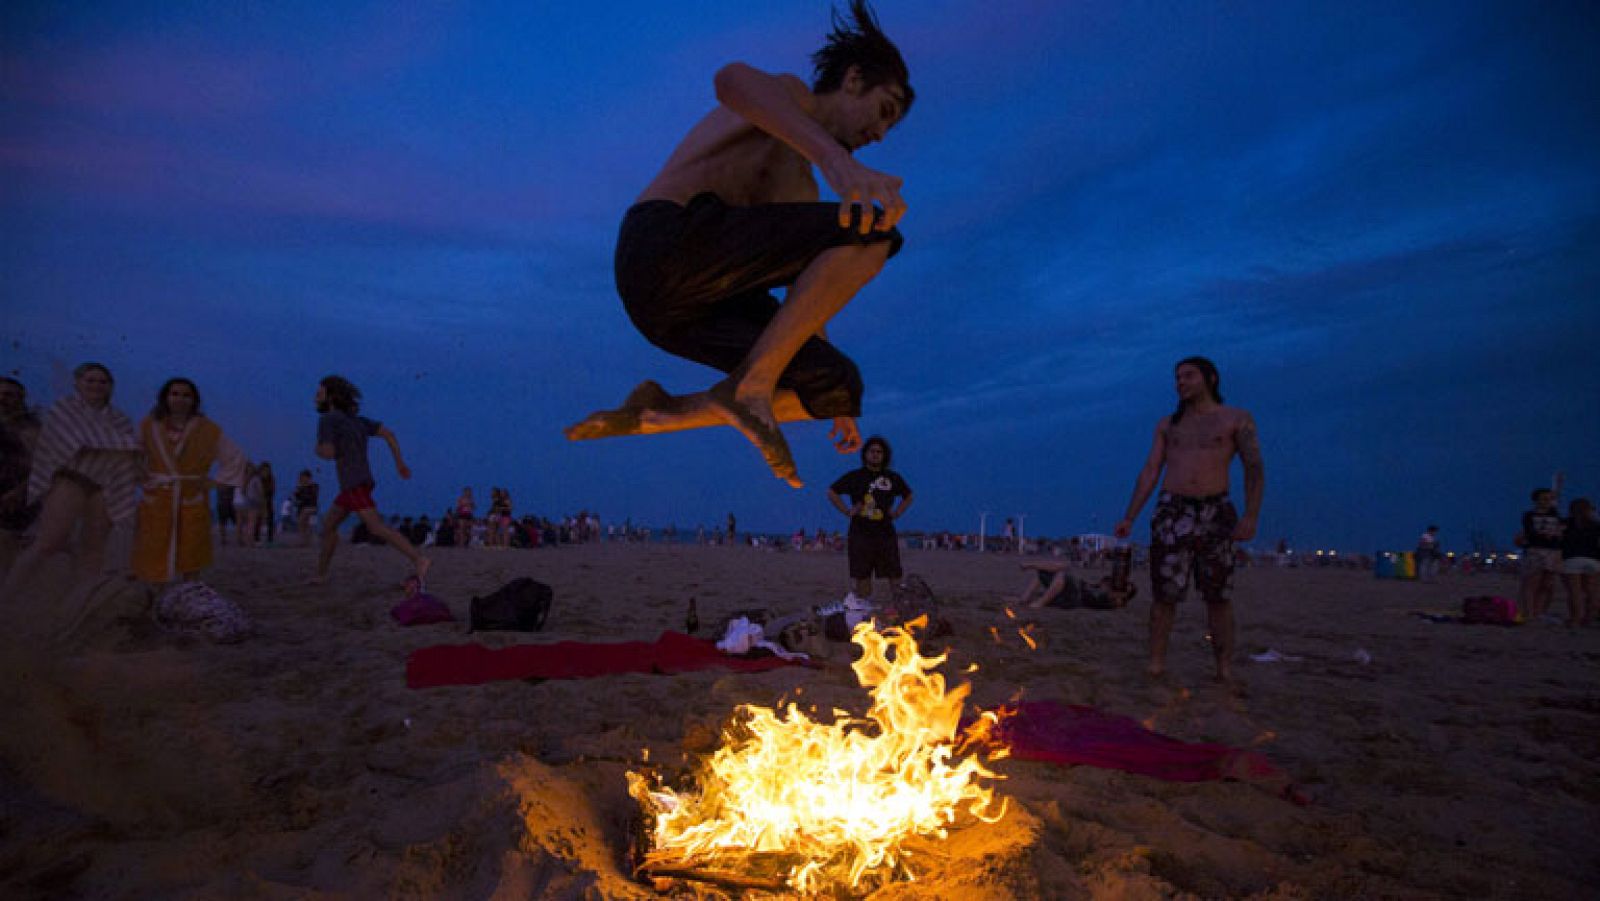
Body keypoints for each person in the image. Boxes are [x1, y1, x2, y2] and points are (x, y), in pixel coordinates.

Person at [564, 0, 914, 488]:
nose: (879, 133)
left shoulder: (801, 190)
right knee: (875, 230)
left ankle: (662, 412)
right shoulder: (791, 100)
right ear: (853, 79)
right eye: (884, 110)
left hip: (677, 317)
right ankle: (751, 388)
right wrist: (838, 163)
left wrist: (828, 396)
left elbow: (809, 299)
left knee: (839, 384)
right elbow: (730, 80)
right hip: (662, 246)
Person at [1113, 356, 1265, 686]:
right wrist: (1129, 516)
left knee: (1218, 595)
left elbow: (1254, 467)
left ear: (1210, 378)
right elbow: (1150, 471)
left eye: (1188, 376)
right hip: (1173, 510)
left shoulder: (1235, 419)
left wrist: (1251, 515)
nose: (1180, 382)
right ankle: (1156, 662)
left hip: (1215, 510)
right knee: (1165, 594)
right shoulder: (1169, 425)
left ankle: (1224, 668)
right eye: (1177, 377)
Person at [0, 363, 141, 600]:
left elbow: (124, 456)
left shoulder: (120, 419)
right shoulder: (63, 410)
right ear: (78, 384)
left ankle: (77, 603)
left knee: (94, 548)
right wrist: (124, 444)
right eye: (90, 380)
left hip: (103, 485)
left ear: (110, 387)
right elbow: (73, 441)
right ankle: (7, 597)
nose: (96, 385)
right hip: (71, 479)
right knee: (48, 542)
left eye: (102, 381)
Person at [311, 375, 429, 584]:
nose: (315, 397)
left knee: (376, 527)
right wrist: (399, 463)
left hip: (354, 483)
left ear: (331, 397)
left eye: (319, 393)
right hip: (357, 483)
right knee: (328, 528)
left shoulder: (328, 420)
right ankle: (321, 575)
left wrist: (319, 448)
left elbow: (328, 453)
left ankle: (419, 559)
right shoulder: (358, 421)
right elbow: (389, 434)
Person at [130, 377, 248, 584]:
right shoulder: (148, 425)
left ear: (194, 400)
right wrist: (142, 477)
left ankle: (190, 595)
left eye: (186, 395)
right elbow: (132, 454)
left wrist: (213, 483)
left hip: (191, 496)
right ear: (165, 397)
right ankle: (156, 597)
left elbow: (235, 457)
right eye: (174, 394)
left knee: (192, 548)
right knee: (154, 547)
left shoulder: (208, 429)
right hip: (158, 495)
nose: (180, 399)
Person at [827, 435, 912, 599]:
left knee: (894, 573)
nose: (875, 454)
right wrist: (846, 511)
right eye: (872, 451)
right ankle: (864, 613)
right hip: (860, 534)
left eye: (879, 452)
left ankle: (901, 610)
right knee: (862, 575)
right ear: (865, 454)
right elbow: (832, 492)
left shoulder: (892, 477)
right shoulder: (855, 476)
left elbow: (909, 495)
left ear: (884, 455)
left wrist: (897, 512)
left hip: (885, 533)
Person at [0, 377, 43, 569]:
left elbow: (42, 467)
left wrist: (19, 492)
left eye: (8, 395)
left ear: (20, 399)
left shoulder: (30, 429)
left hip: (13, 500)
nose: (2, 398)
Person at [1516, 488, 1563, 621]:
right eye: (1544, 498)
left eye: (1549, 499)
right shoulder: (1529, 515)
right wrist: (1543, 535)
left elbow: (1560, 530)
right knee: (1532, 582)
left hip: (1553, 551)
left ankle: (1539, 611)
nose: (1547, 501)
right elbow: (1529, 532)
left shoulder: (1555, 515)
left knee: (1547, 584)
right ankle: (1530, 612)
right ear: (1536, 500)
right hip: (1536, 550)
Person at [1017, 560, 1136, 610]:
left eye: (1126, 589)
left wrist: (1120, 594)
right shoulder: (1105, 585)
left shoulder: (1114, 600)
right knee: (1043, 573)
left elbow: (1117, 602)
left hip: (1076, 597)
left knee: (1063, 573)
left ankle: (1040, 603)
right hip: (1071, 591)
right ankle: (1025, 598)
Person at [1559, 498, 1598, 627]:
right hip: (1593, 560)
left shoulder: (1566, 523)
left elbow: (1559, 539)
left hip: (1572, 559)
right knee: (1592, 591)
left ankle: (1575, 618)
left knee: (1574, 592)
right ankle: (1589, 618)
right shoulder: (1595, 525)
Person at [292, 470, 320, 547]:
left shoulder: (314, 486)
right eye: (301, 478)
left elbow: (311, 497)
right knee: (303, 522)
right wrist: (298, 490)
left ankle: (305, 540)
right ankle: (305, 540)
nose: (302, 479)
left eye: (303, 478)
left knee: (302, 520)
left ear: (308, 478)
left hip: (311, 508)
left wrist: (302, 489)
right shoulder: (300, 488)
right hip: (303, 508)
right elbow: (296, 499)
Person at [257, 461, 277, 544]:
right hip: (258, 501)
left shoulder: (271, 479)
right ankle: (256, 538)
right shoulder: (257, 479)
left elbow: (272, 490)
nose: (266, 472)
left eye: (267, 470)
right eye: (264, 470)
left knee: (270, 518)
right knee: (258, 519)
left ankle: (270, 538)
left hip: (268, 500)